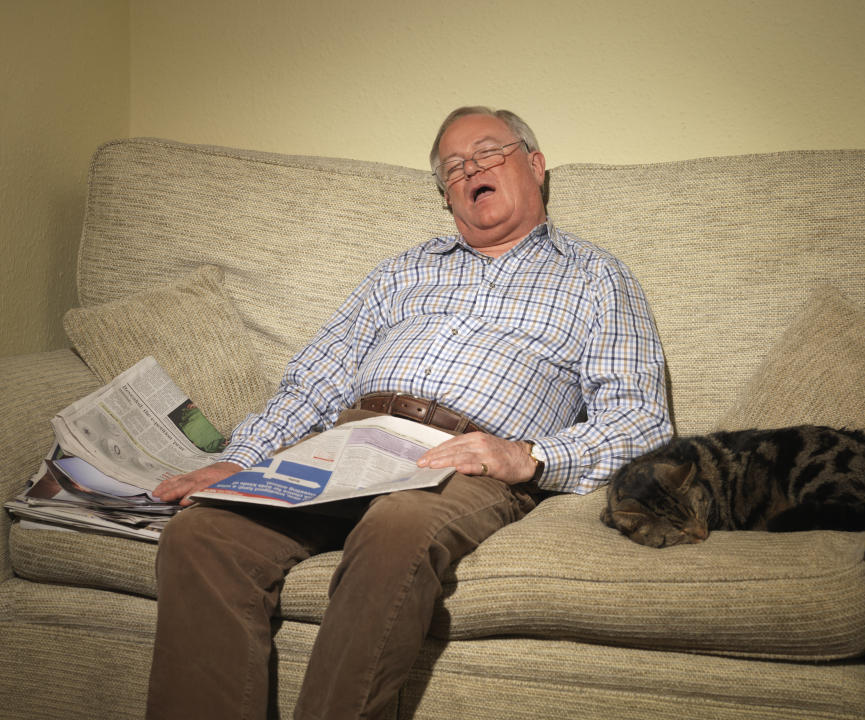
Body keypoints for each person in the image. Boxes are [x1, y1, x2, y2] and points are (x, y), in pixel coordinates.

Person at [145, 106, 672, 720]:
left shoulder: (596, 277)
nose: (470, 168)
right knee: (201, 534)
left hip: (461, 460)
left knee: (396, 528)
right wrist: (236, 462)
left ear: (534, 164)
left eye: (487, 152)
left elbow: (641, 420)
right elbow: (315, 379)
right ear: (447, 198)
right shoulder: (403, 270)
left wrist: (528, 456)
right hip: (347, 445)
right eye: (453, 166)